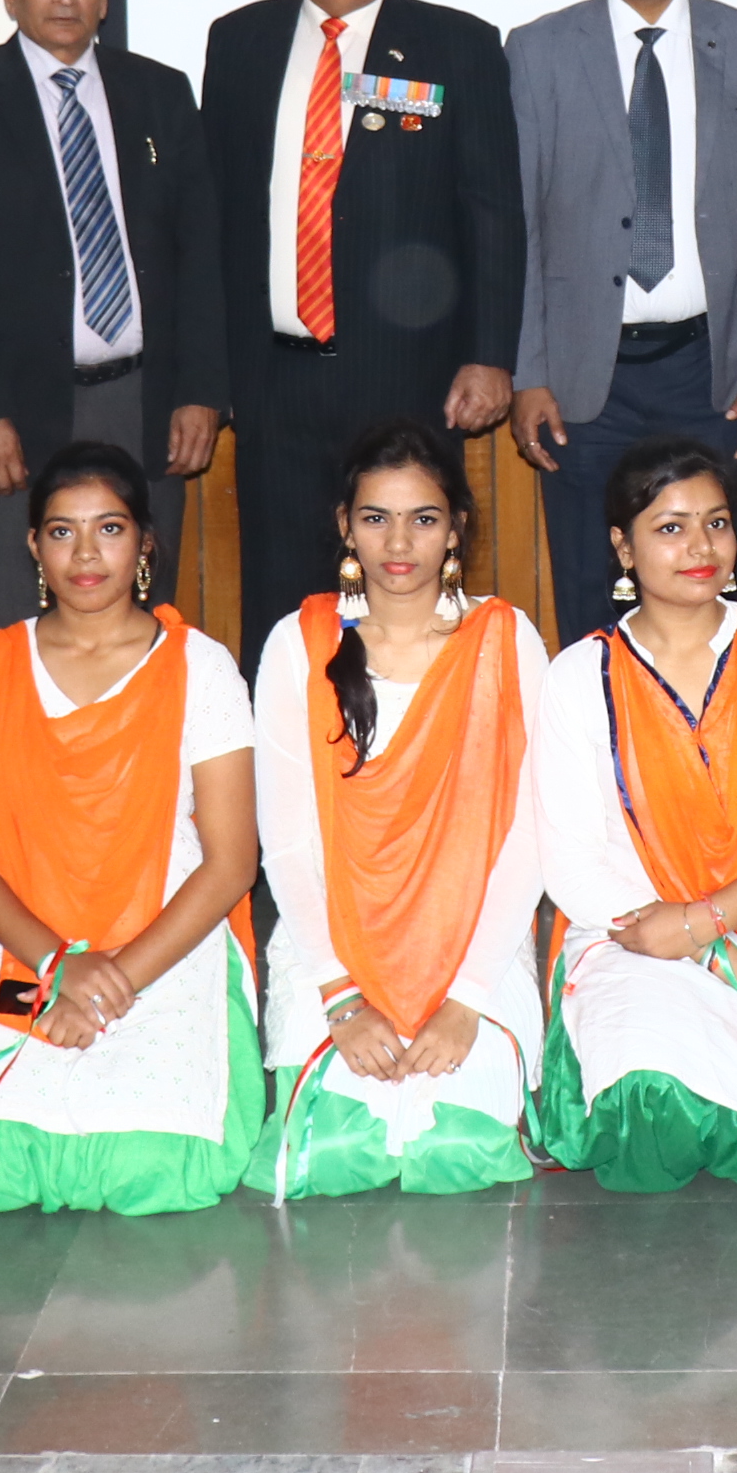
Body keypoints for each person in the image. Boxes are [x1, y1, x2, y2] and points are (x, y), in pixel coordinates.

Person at [203, 0, 524, 660]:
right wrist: (212, 375)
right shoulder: (237, 44)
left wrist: (491, 356)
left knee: (412, 602)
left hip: (410, 381)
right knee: (281, 607)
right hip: (271, 380)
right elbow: (215, 218)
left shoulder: (458, 44)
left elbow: (493, 209)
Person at [0, 443, 262, 1212]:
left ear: (144, 541)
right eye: (61, 531)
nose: (85, 554)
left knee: (159, 1168)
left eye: (108, 529)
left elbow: (232, 863)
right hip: (27, 952)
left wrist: (114, 981)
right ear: (33, 545)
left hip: (166, 945)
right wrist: (58, 966)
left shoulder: (198, 668)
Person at [535, 437, 737, 1191]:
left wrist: (710, 921)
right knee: (650, 1115)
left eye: (716, 524)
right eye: (670, 527)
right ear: (622, 545)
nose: (700, 548)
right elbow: (573, 863)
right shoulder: (580, 675)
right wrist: (715, 949)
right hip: (637, 932)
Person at [509, 0, 737, 641]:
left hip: (716, 375)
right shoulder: (539, 52)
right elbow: (522, 229)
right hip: (583, 378)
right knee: (590, 594)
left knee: (713, 598)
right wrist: (527, 372)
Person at [248, 420, 554, 1197]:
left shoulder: (505, 637)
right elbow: (285, 841)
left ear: (456, 527)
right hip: (334, 946)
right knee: (333, 1154)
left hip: (473, 945)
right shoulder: (299, 641)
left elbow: (528, 835)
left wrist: (467, 999)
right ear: (345, 525)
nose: (400, 542)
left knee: (458, 1153)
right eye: (376, 517)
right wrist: (340, 995)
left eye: (424, 518)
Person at [0, 0, 227, 632]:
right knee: (11, 634)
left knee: (138, 628)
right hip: (10, 418)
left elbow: (198, 258)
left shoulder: (160, 93)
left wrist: (201, 392)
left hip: (140, 407)